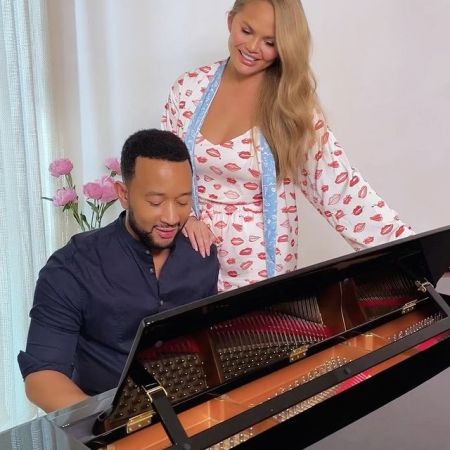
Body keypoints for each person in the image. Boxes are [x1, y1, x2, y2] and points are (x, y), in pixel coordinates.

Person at [161, 0, 414, 292]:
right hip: (190, 257)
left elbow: (341, 191)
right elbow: (164, 171)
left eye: (270, 42)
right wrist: (186, 218)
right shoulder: (189, 89)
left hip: (259, 270)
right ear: (231, 21)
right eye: (246, 31)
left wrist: (415, 252)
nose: (253, 47)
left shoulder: (290, 107)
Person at [17, 129, 219, 412]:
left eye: (183, 202)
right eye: (155, 202)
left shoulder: (201, 255)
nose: (172, 217)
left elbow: (210, 347)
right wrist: (107, 425)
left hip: (193, 413)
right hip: (105, 419)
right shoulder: (72, 266)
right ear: (123, 194)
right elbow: (42, 377)